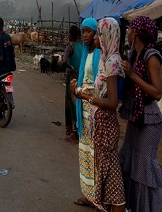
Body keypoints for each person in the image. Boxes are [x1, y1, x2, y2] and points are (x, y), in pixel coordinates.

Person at [73, 18, 126, 211]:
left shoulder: (111, 61)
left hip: (105, 123)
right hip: (99, 122)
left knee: (110, 173)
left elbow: (111, 102)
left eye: (96, 33)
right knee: (104, 169)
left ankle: (108, 204)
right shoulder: (107, 58)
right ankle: (97, 201)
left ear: (105, 35)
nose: (93, 36)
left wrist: (88, 99)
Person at [119, 16, 162, 212]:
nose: (127, 33)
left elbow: (157, 92)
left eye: (129, 30)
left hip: (149, 119)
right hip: (137, 115)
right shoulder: (133, 55)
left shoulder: (151, 56)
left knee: (144, 169)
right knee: (130, 160)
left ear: (135, 33)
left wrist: (132, 75)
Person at [70, 17, 101, 208]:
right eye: (83, 32)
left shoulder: (99, 53)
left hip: (95, 106)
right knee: (85, 152)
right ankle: (88, 195)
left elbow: (101, 84)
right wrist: (77, 87)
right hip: (83, 106)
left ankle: (99, 196)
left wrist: (83, 91)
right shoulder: (85, 54)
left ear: (96, 33)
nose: (85, 35)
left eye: (89, 31)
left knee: (96, 153)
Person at [63, 25, 83, 142]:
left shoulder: (70, 47)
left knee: (71, 103)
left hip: (72, 77)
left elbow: (64, 61)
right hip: (80, 76)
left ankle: (74, 133)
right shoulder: (81, 46)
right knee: (78, 102)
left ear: (70, 35)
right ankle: (79, 129)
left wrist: (70, 68)